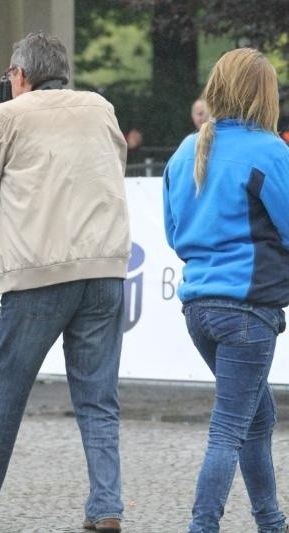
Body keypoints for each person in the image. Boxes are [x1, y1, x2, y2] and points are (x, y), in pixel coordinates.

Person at [0, 32, 130, 533]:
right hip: (104, 270)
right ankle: (107, 507)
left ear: (19, 75)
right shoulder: (101, 108)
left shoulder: (9, 116)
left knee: (3, 390)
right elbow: (112, 164)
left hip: (38, 273)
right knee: (98, 398)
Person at [163, 48, 289, 533]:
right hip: (249, 311)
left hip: (199, 308)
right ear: (264, 95)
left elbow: (176, 235)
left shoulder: (185, 150)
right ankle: (203, 526)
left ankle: (271, 522)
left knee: (256, 418)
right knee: (230, 429)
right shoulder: (270, 150)